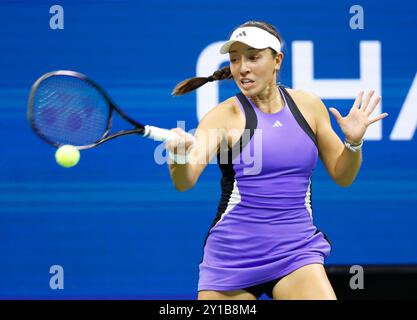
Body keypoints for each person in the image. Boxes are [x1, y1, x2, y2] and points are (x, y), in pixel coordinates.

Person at [165, 20, 388, 300]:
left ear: (277, 60)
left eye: (253, 57)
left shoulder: (308, 106)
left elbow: (343, 175)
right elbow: (185, 182)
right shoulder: (223, 117)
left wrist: (354, 143)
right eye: (235, 60)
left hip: (296, 252)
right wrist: (178, 156)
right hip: (233, 257)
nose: (242, 68)